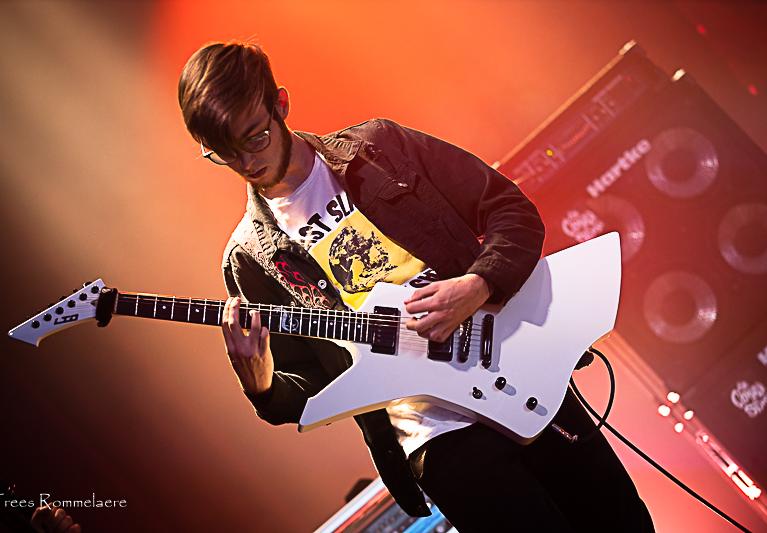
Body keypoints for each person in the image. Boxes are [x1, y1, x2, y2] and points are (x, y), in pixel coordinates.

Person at [178, 40, 654, 532]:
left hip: (519, 373)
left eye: (254, 138)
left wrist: (478, 284)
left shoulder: (379, 148)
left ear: (280, 104)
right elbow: (309, 390)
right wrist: (259, 384)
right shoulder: (251, 258)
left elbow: (510, 211)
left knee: (623, 524)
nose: (246, 161)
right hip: (436, 437)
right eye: (225, 153)